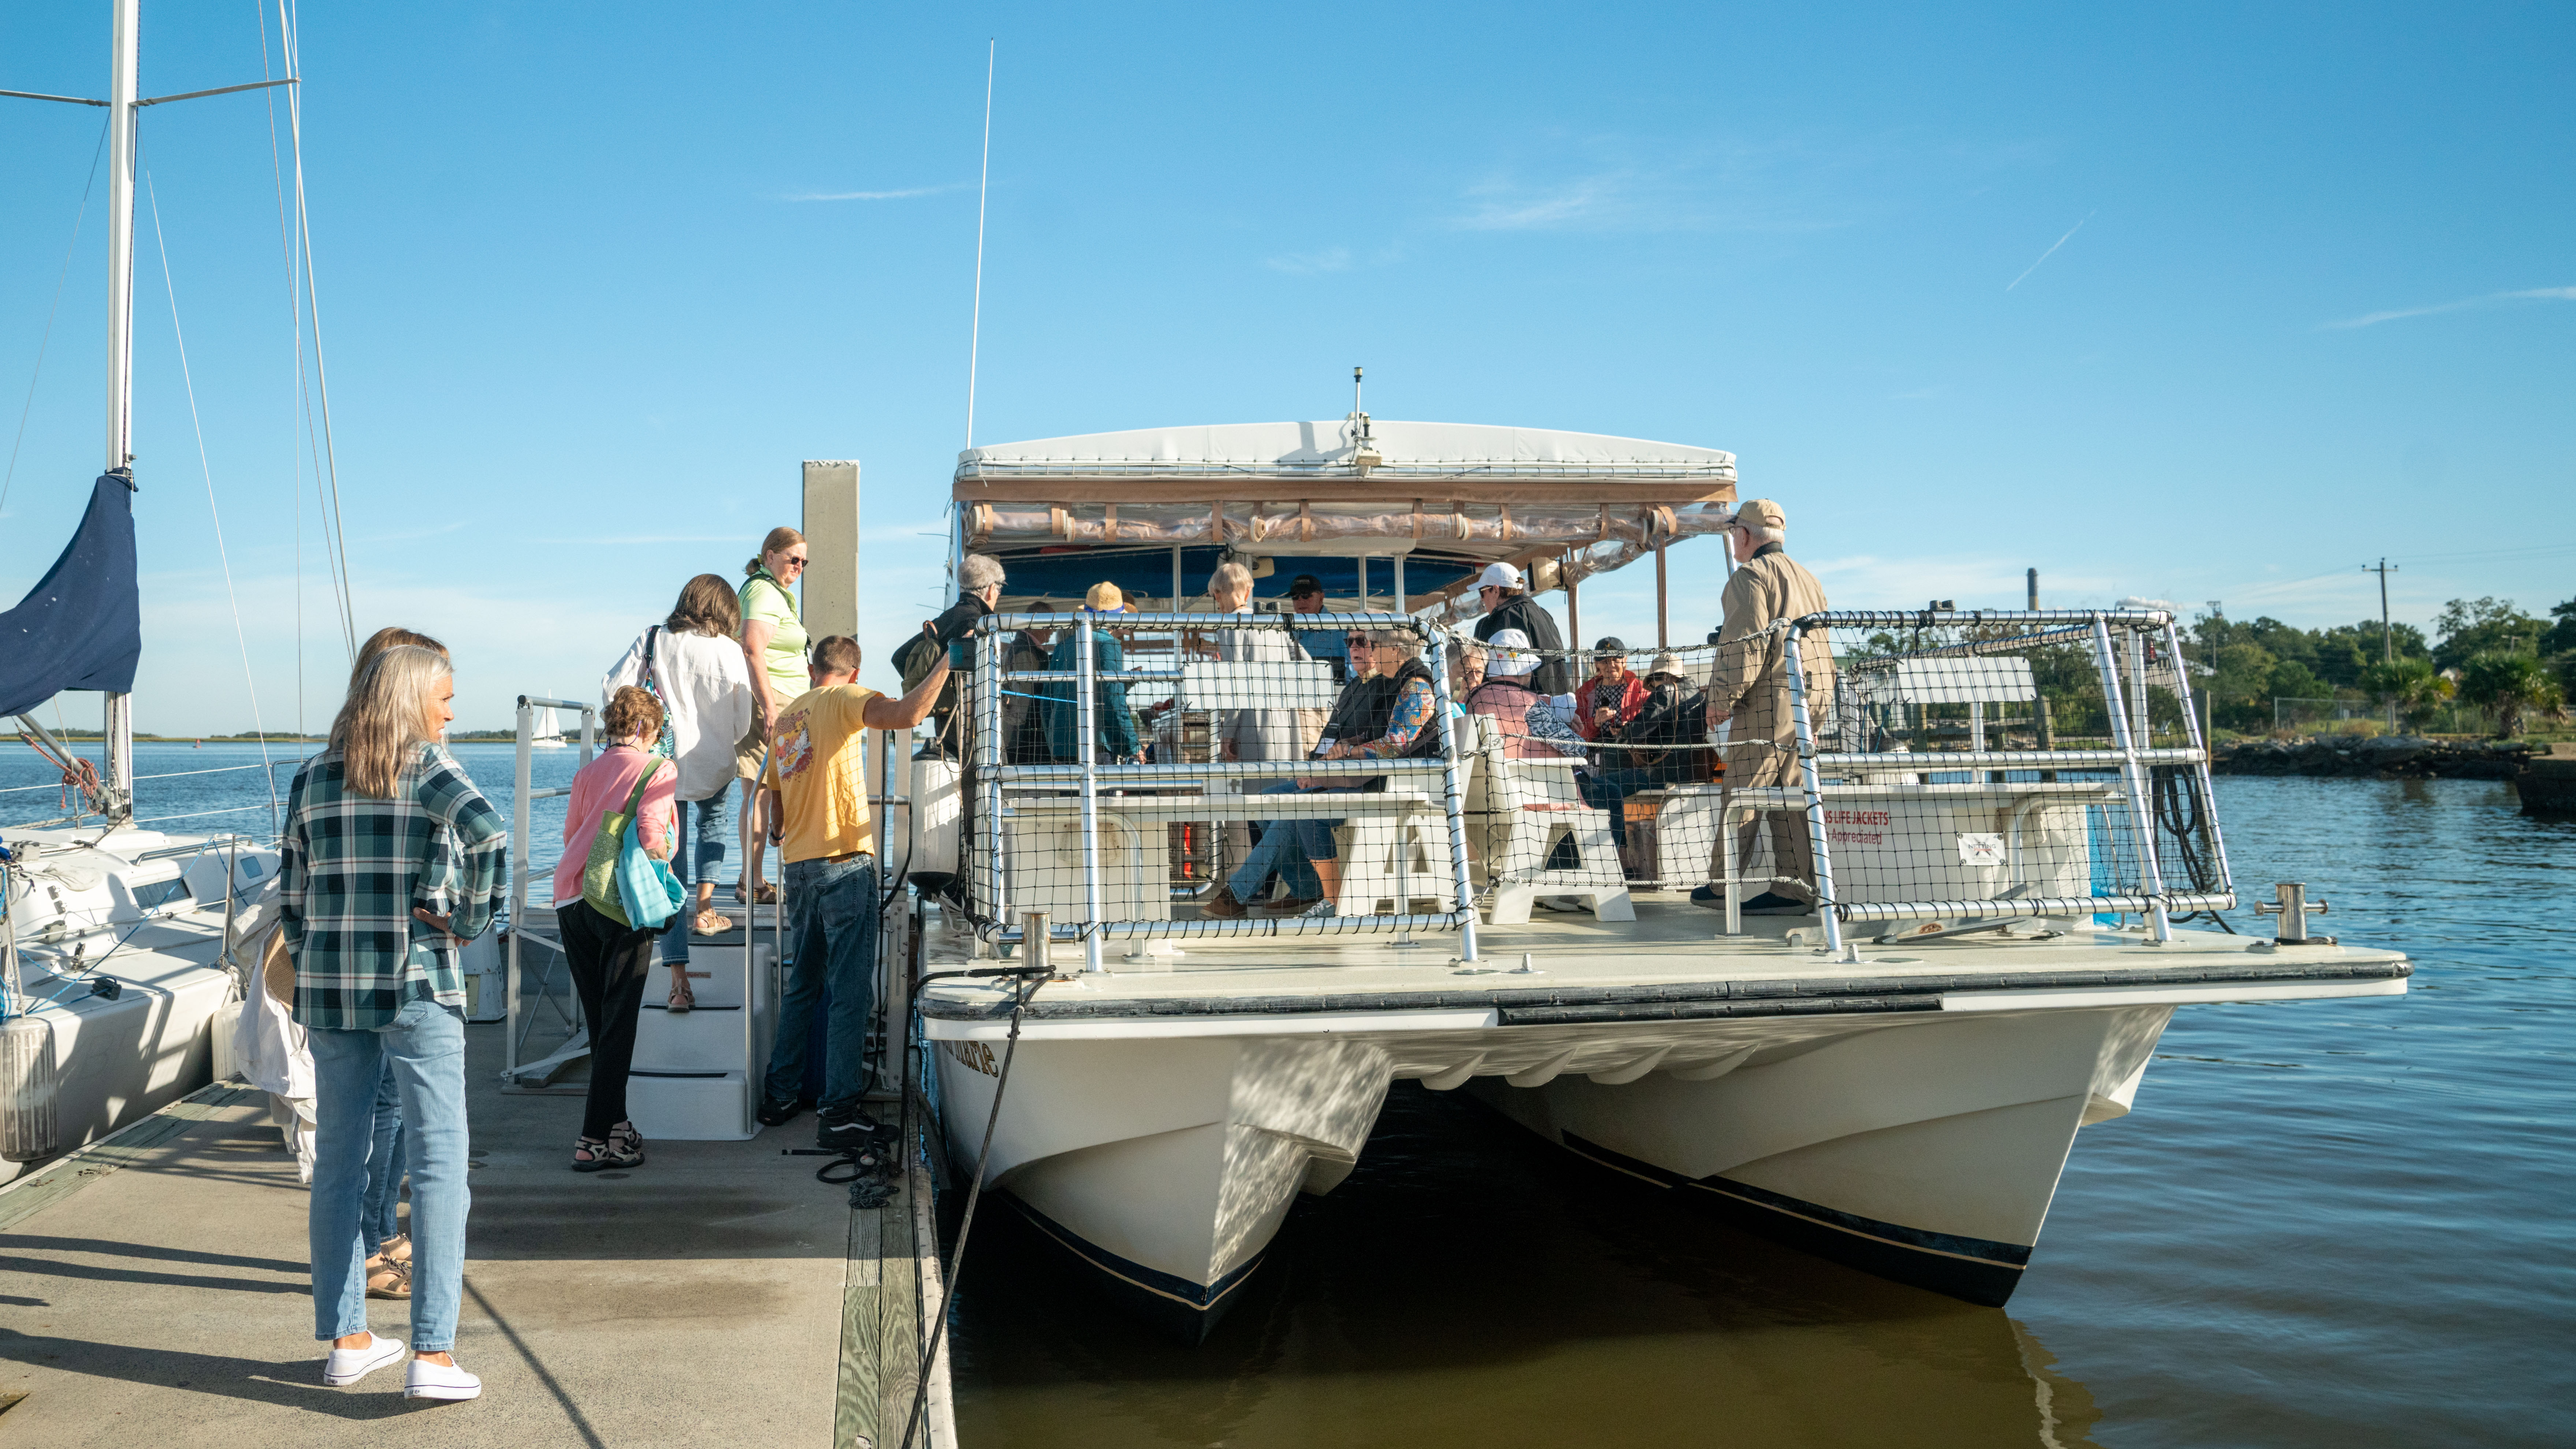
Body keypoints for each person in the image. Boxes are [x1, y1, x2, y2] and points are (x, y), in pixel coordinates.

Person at [282, 643, 502, 1402]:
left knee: (338, 1163)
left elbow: (294, 888)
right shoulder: (430, 767)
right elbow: (491, 837)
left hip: (331, 989)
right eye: (445, 694)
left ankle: (347, 1341)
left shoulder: (312, 774)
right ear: (413, 699)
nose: (451, 709)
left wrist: (313, 952)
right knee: (439, 1165)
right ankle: (433, 1354)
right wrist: (467, 920)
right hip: (414, 979)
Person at [755, 635, 950, 1149]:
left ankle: (779, 1096)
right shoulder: (843, 700)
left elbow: (775, 803)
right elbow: (909, 714)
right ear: (854, 670)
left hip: (798, 865)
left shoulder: (789, 717)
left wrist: (785, 834)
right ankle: (839, 1111)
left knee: (804, 984)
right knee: (850, 992)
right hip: (843, 864)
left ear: (812, 666)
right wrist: (952, 660)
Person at [340, 627, 449, 1306]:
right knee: (382, 1111)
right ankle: (375, 1237)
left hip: (365, 966)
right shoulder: (376, 766)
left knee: (395, 1112)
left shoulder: (352, 764)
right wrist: (464, 919)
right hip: (386, 969)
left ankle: (380, 1230)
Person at [1206, 629, 1442, 920]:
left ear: (1394, 649)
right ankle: (1309, 887)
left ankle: (1261, 895)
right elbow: (1368, 735)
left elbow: (1395, 743)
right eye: (1353, 642)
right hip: (1361, 776)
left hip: (1388, 784)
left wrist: (1346, 752)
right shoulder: (1379, 685)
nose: (1363, 649)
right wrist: (1324, 764)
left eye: (1371, 644)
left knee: (1303, 809)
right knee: (1265, 802)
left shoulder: (1414, 685)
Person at [603, 574, 756, 1007]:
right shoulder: (730, 650)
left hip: (662, 763)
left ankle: (678, 982)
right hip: (714, 760)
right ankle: (706, 909)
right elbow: (743, 719)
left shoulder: (654, 638)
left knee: (668, 862)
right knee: (714, 826)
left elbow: (612, 690)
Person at [548, 685, 677, 1171]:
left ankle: (618, 1130)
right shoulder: (656, 768)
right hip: (617, 903)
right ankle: (592, 1139)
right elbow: (651, 834)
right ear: (646, 728)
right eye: (656, 731)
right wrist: (662, 872)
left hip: (570, 898)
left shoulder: (586, 773)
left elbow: (569, 836)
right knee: (619, 1025)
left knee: (601, 1025)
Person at [1695, 498, 1835, 914]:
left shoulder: (1749, 577)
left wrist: (1719, 700)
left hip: (1772, 697)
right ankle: (1797, 888)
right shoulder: (1809, 578)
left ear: (1744, 535)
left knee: (1744, 788)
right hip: (1815, 694)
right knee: (1792, 792)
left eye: (1733, 532)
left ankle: (1723, 888)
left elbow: (1746, 648)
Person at [736, 527, 810, 908]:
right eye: (791, 559)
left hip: (784, 704)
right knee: (760, 793)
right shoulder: (764, 590)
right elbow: (752, 648)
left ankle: (751, 876)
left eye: (803, 562)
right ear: (769, 556)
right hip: (773, 704)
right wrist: (770, 707)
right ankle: (753, 882)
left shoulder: (776, 593)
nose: (798, 566)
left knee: (768, 793)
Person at [1042, 583, 1143, 764]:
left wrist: (1054, 742)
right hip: (1097, 745)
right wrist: (1132, 747)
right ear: (1118, 617)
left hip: (1063, 746)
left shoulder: (1063, 647)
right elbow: (1113, 702)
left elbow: (1047, 703)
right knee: (1100, 793)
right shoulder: (1110, 645)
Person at [919, 554, 1006, 754]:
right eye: (1000, 588)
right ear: (992, 590)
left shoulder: (944, 619)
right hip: (974, 731)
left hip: (946, 726)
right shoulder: (980, 624)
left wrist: (939, 697)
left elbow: (900, 657)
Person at [1466, 629, 1587, 759]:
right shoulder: (1531, 705)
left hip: (1480, 775)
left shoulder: (1474, 697)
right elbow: (1578, 749)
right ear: (1526, 670)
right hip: (1528, 777)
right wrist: (1563, 723)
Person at [1470, 561, 1573, 696]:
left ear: (1495, 590)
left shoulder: (1492, 622)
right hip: (1556, 707)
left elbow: (1481, 672)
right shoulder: (1545, 615)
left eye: (1482, 592)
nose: (1482, 599)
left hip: (1516, 710)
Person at [1001, 605, 1057, 765]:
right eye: (1051, 625)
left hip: (1021, 738)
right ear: (1038, 624)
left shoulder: (1020, 648)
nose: (1053, 630)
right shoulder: (1024, 652)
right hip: (1025, 742)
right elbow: (1025, 700)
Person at [1575, 637, 1647, 742]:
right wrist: (1595, 723)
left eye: (1615, 660)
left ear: (1625, 660)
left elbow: (1652, 727)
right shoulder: (1584, 692)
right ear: (1596, 663)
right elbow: (1575, 736)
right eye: (1605, 661)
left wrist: (1628, 731)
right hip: (1594, 754)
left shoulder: (1641, 690)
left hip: (1631, 755)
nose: (1611, 665)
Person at [1284, 573, 1349, 682]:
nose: (1300, 600)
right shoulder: (1287, 629)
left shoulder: (1339, 628)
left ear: (1321, 598)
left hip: (1332, 692)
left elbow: (1352, 669)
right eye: (1295, 596)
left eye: (1306, 595)